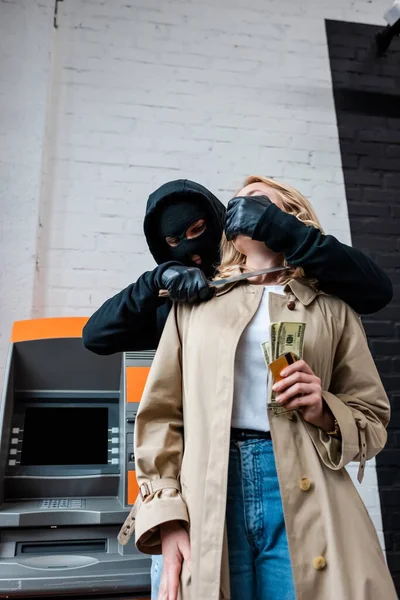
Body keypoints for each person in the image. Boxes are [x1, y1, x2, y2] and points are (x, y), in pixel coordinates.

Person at [83, 178, 393, 599]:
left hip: (305, 483)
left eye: (262, 204)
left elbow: (371, 418)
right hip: (209, 483)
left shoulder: (332, 307)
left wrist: (324, 408)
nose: (244, 209)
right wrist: (166, 515)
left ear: (290, 216)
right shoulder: (194, 304)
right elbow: (159, 415)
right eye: (238, 203)